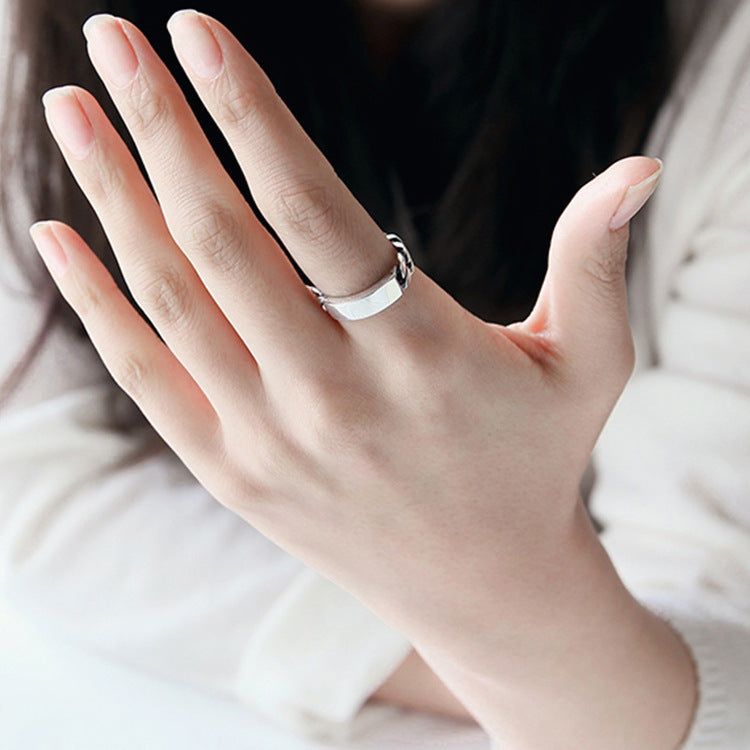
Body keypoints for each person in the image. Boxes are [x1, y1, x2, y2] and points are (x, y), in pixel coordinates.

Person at [1, 1, 748, 747]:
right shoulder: (31, 43)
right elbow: (39, 487)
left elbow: (716, 647)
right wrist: (491, 629)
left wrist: (510, 592)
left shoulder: (724, 66)